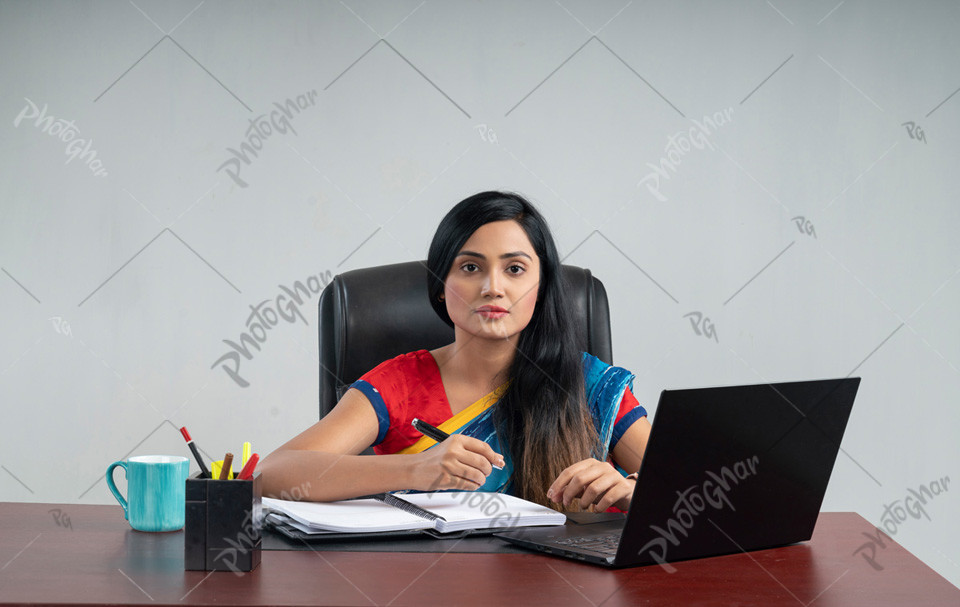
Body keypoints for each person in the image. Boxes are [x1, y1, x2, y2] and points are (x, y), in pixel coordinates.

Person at [261, 191, 651, 512]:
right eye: (470, 268)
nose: (492, 288)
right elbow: (274, 474)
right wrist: (415, 469)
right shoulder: (399, 384)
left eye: (515, 269)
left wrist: (633, 488)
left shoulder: (590, 384)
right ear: (439, 284)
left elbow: (690, 492)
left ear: (543, 286)